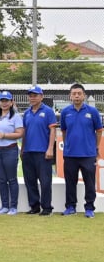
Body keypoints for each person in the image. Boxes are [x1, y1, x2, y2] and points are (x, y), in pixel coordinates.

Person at [59, 83, 102, 218]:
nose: (76, 96)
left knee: (89, 182)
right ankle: (70, 207)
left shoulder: (92, 112)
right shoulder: (65, 112)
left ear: (84, 95)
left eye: (79, 93)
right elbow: (64, 131)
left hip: (88, 154)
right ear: (70, 96)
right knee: (70, 182)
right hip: (70, 154)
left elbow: (99, 130)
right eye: (74, 93)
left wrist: (95, 147)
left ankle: (89, 208)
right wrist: (67, 145)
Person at [21, 85, 57, 216]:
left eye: (35, 95)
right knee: (29, 181)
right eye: (30, 95)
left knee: (45, 181)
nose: (32, 98)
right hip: (28, 152)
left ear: (41, 96)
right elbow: (24, 133)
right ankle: (34, 206)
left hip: (43, 152)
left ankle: (47, 208)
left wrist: (50, 149)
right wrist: (22, 149)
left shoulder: (48, 111)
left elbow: (53, 130)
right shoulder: (26, 113)